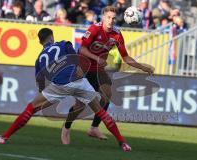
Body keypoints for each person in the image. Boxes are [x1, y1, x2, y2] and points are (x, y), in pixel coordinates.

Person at [0, 28, 131, 152]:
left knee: (31, 108)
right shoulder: (64, 44)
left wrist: (47, 98)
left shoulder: (39, 59)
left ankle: (4, 137)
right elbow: (77, 59)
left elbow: (41, 84)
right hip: (79, 81)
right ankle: (123, 143)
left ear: (40, 42)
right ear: (52, 37)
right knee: (100, 111)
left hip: (59, 85)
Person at [62, 6, 155, 144]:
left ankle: (94, 128)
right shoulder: (94, 29)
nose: (111, 20)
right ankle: (66, 128)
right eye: (108, 17)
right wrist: (97, 58)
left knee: (107, 95)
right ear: (103, 18)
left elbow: (126, 58)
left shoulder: (117, 35)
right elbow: (82, 49)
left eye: (113, 18)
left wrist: (142, 67)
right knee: (80, 105)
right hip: (82, 67)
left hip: (97, 69)